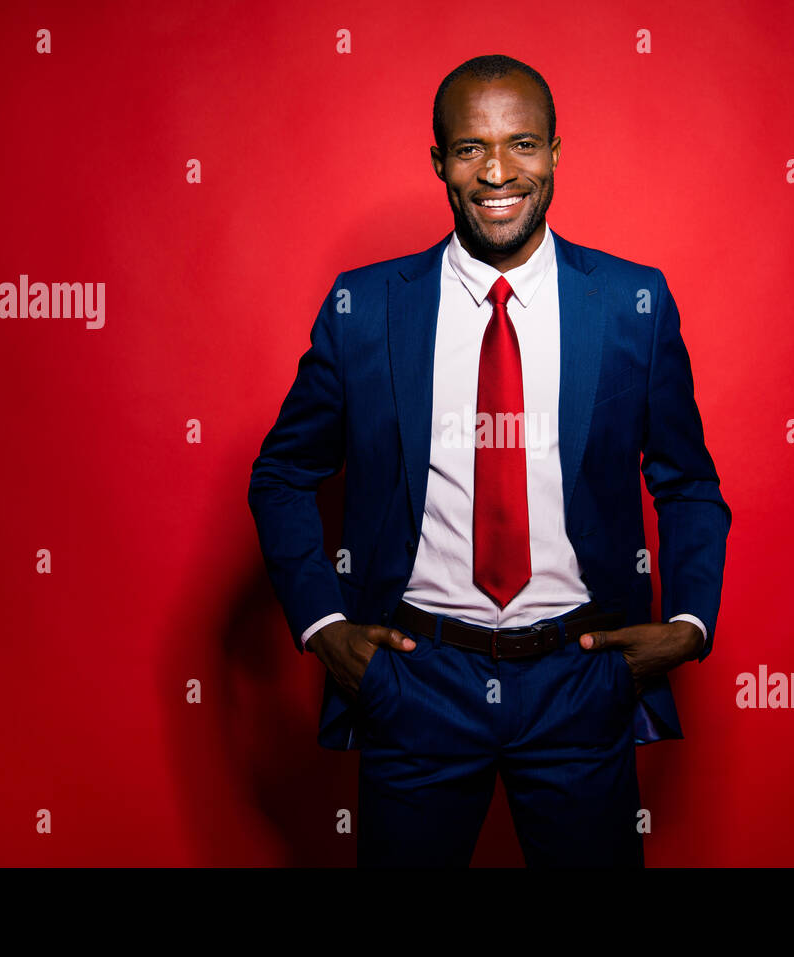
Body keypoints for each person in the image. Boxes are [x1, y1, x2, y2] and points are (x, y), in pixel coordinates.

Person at [248, 54, 731, 867]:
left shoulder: (630, 305)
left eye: (523, 144)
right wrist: (323, 627)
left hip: (582, 677)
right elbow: (282, 472)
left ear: (555, 152)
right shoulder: (364, 309)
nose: (498, 171)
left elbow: (687, 483)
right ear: (439, 161)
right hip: (417, 682)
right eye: (470, 149)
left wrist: (686, 625)